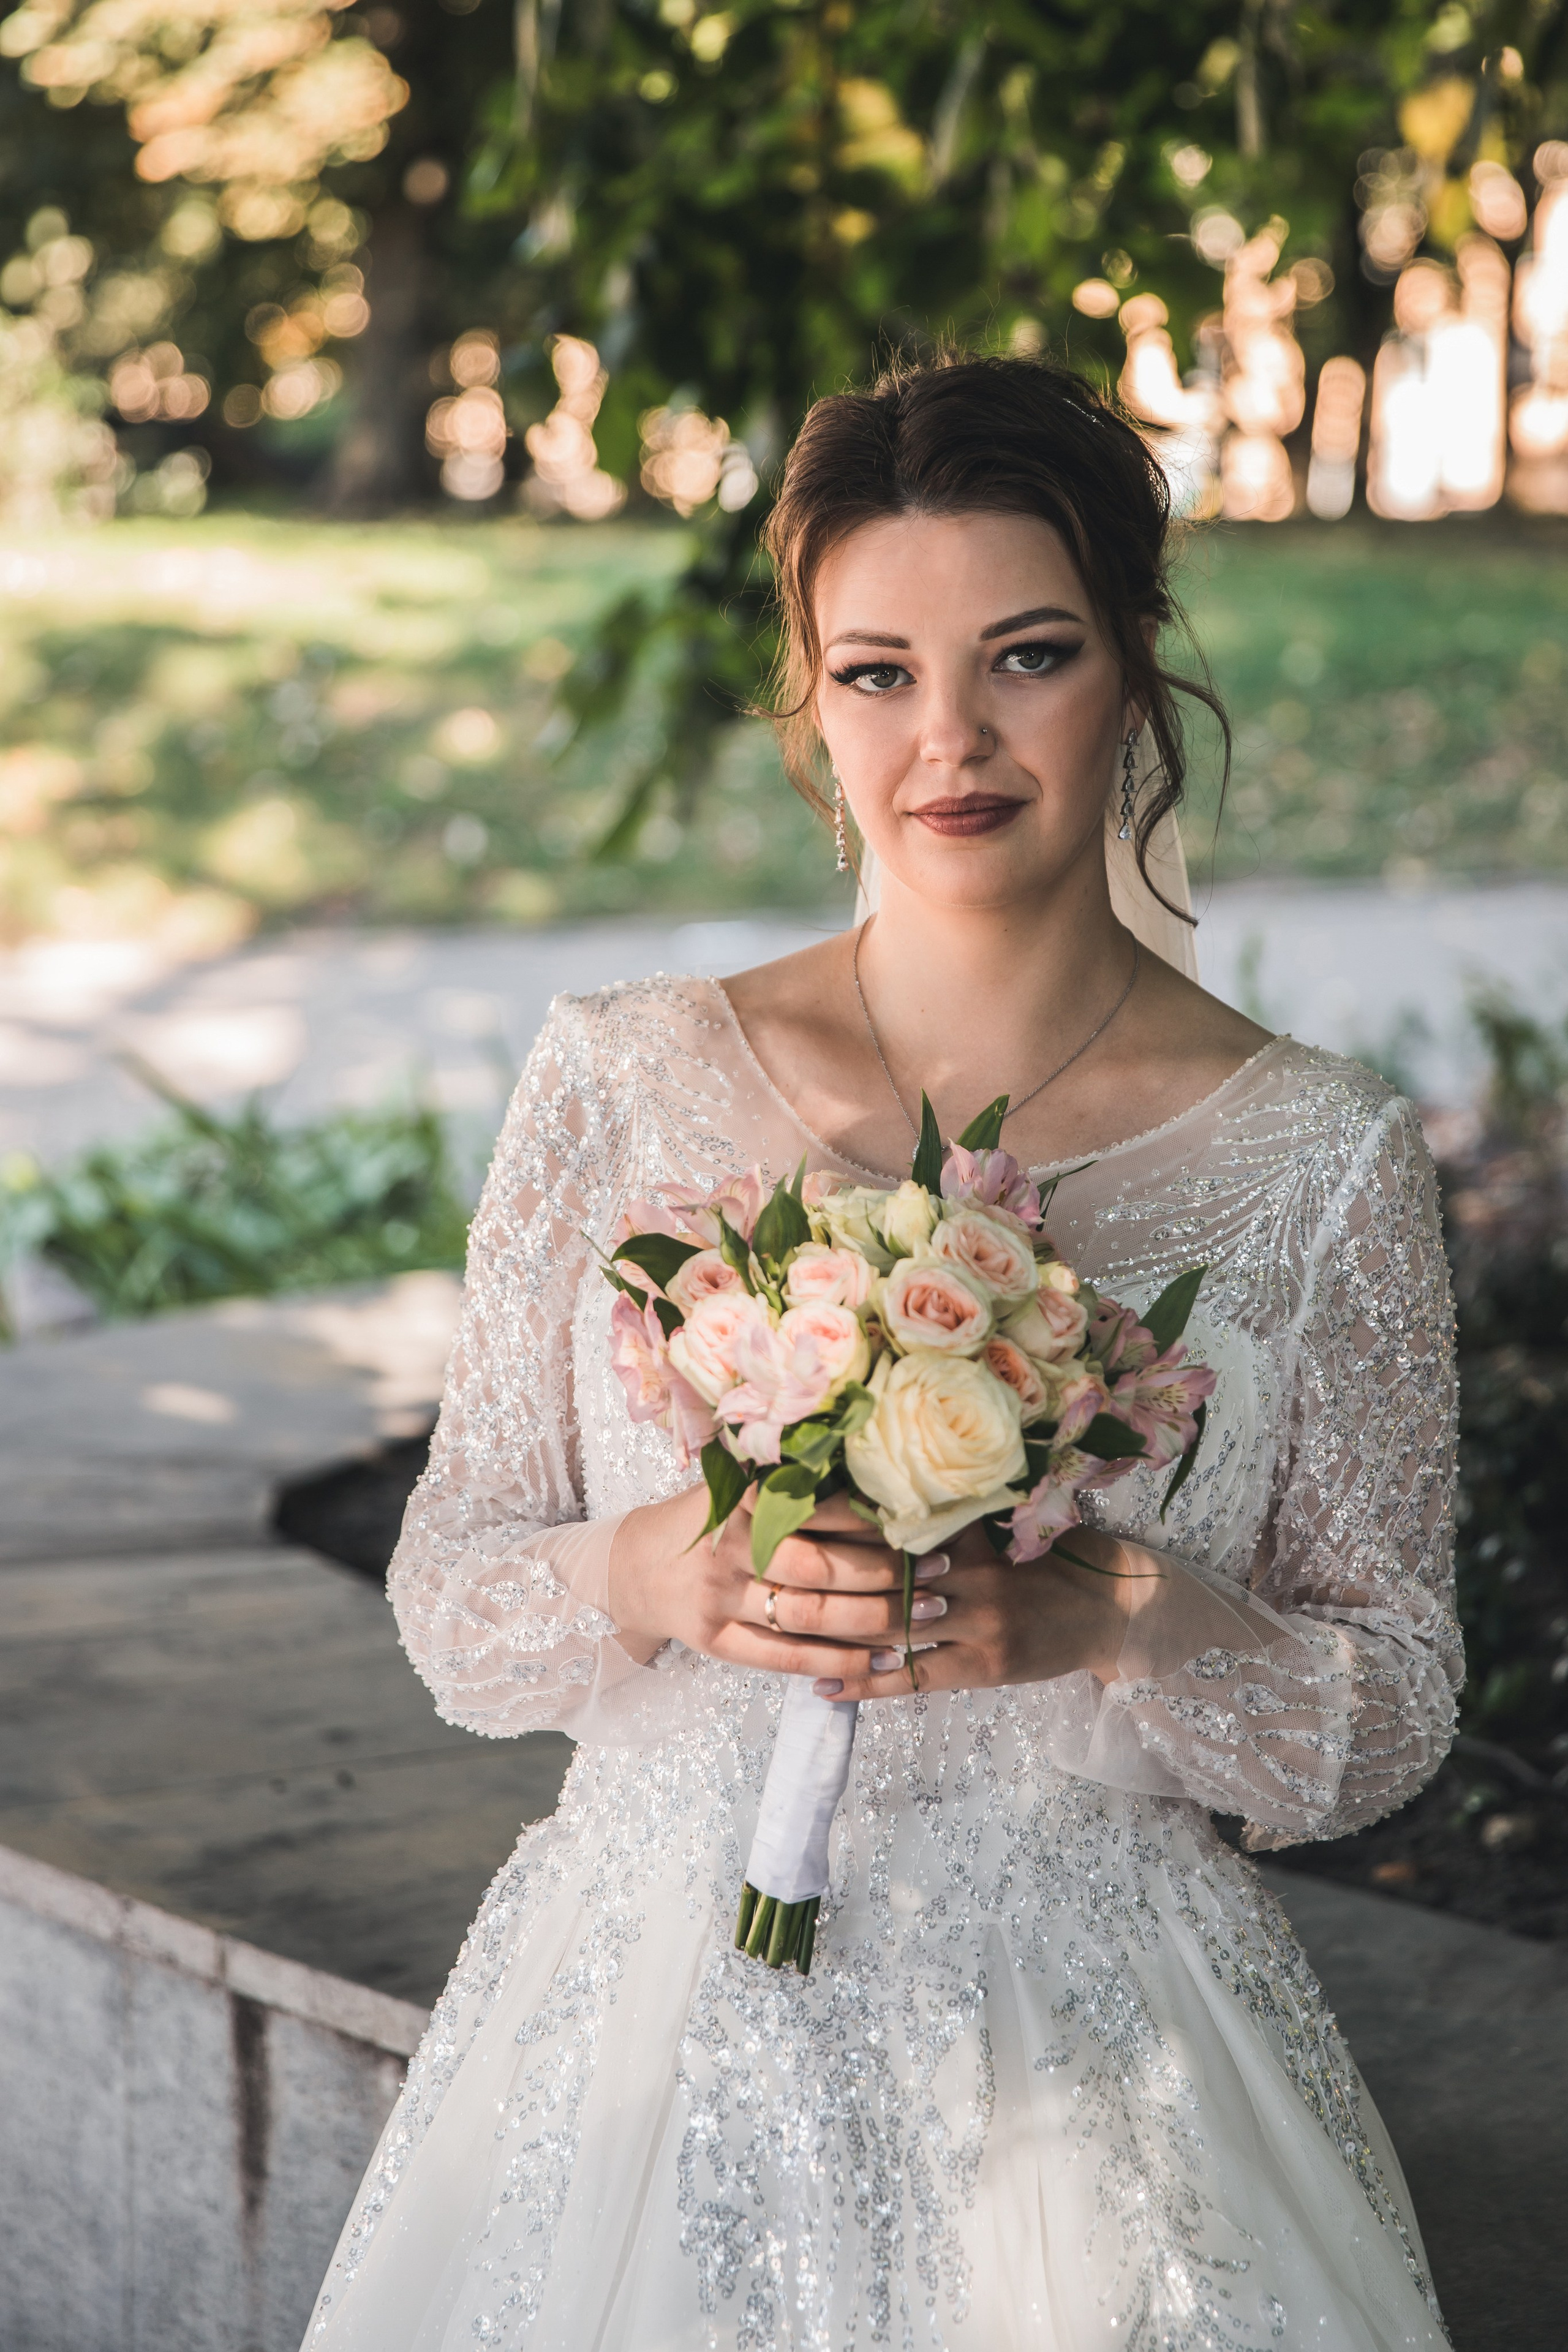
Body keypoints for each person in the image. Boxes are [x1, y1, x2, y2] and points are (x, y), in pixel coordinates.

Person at [304, 355, 1459, 2351]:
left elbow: (1398, 1700)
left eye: (1027, 654)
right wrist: (659, 1571)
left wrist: (1120, 1607)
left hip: (1106, 2075)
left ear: (1134, 661)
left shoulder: (1320, 1158)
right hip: (648, 2038)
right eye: (875, 673)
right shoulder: (623, 1078)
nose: (951, 739)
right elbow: (451, 1599)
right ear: (805, 700)